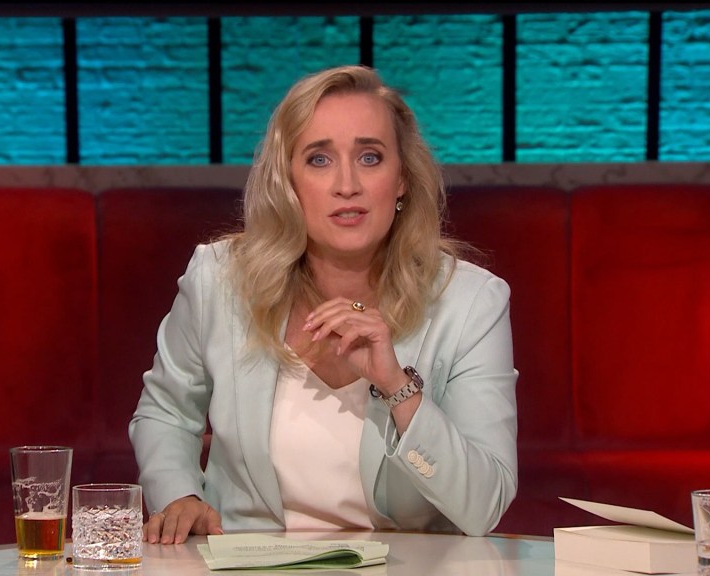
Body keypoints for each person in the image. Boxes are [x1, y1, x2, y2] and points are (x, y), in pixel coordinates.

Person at [129, 64, 518, 545]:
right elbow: (166, 413)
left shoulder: (471, 302)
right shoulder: (220, 280)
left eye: (370, 157)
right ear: (287, 181)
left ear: (401, 178)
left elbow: (484, 505)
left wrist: (396, 387)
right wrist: (179, 495)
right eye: (319, 159)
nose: (346, 184)